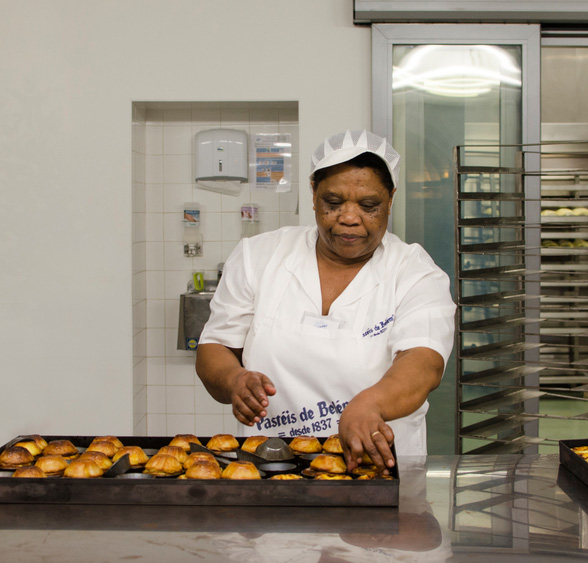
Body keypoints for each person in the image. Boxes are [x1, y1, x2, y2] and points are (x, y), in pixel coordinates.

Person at [195, 130, 455, 472]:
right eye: (333, 203)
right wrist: (233, 380)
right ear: (314, 195)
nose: (349, 217)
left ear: (390, 200)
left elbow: (424, 364)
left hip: (377, 472)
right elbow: (214, 346)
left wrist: (369, 404)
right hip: (270, 470)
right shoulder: (259, 256)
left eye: (368, 205)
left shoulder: (414, 273)